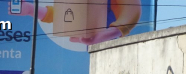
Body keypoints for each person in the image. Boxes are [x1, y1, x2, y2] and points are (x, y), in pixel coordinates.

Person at [14, 0, 142, 45]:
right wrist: (31, 9)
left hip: (114, 46)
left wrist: (110, 33)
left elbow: (131, 12)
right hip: (90, 45)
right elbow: (66, 14)